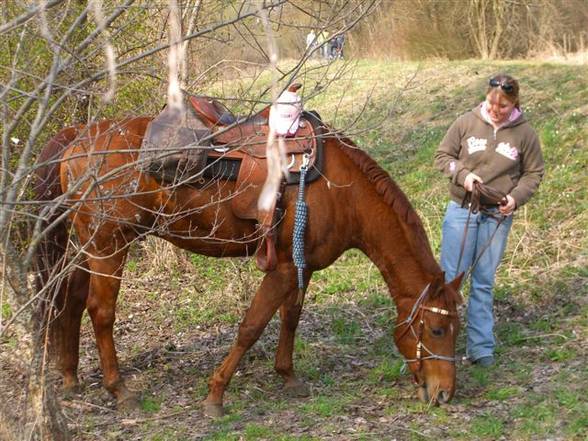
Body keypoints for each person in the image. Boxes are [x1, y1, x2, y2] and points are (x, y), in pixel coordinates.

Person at [434, 74, 544, 367]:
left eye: (504, 106)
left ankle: (481, 349)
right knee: (450, 280)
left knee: (483, 282)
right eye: (492, 103)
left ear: (514, 103)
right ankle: (443, 345)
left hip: (497, 216)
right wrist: (464, 176)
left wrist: (516, 198)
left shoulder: (525, 134)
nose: (496, 109)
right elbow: (443, 156)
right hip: (462, 210)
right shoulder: (465, 123)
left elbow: (534, 174)